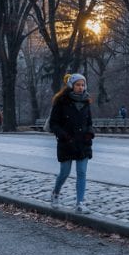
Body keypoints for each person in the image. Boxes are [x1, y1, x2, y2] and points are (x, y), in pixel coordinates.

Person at [48, 73, 95, 214]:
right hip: (66, 142)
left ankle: (80, 203)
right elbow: (53, 123)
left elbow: (89, 122)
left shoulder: (86, 101)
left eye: (82, 85)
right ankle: (55, 193)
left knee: (81, 173)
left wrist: (89, 133)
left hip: (83, 143)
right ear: (71, 86)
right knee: (64, 172)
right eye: (78, 85)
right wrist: (63, 135)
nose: (81, 87)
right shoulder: (61, 102)